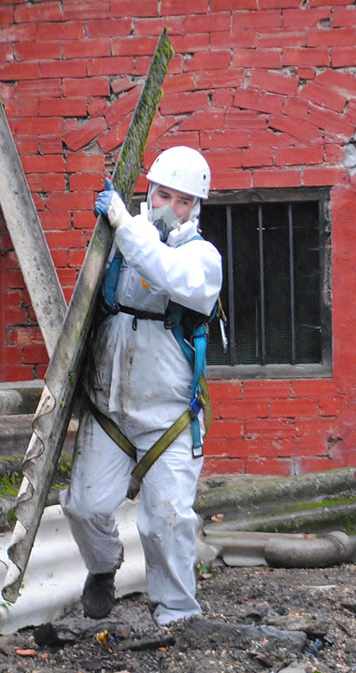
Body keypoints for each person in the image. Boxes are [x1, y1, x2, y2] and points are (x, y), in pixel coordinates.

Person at [60, 145, 223, 626]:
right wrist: (117, 229)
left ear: (197, 207)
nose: (169, 207)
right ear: (148, 191)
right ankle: (103, 567)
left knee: (167, 522)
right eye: (162, 194)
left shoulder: (201, 259)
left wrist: (123, 223)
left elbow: (166, 273)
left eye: (183, 201)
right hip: (109, 410)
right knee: (83, 507)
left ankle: (176, 616)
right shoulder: (119, 243)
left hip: (167, 417)